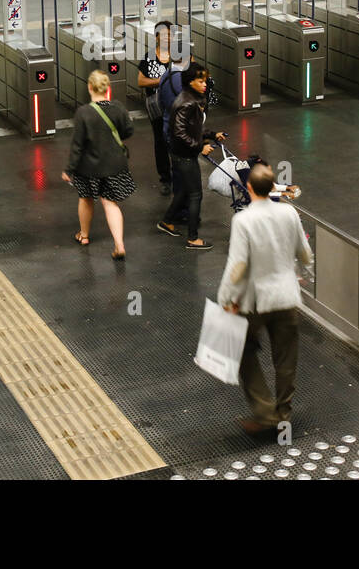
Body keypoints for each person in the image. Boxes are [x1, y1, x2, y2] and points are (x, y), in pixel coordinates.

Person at [217, 162, 313, 435]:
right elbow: (304, 253)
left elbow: (237, 267)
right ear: (273, 187)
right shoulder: (289, 212)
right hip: (286, 297)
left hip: (256, 301)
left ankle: (263, 411)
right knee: (286, 360)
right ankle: (283, 414)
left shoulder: (243, 220)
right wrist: (304, 270)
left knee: (242, 348)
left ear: (249, 188)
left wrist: (226, 299)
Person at [61, 70, 135, 261]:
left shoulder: (84, 113)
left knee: (85, 198)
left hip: (89, 167)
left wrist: (69, 169)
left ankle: (84, 236)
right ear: (107, 88)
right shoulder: (118, 107)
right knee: (110, 202)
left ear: (90, 87)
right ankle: (119, 244)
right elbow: (128, 131)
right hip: (114, 164)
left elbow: (77, 145)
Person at [158, 61, 224, 250]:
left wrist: (211, 135)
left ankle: (167, 221)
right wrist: (199, 148)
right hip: (185, 156)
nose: (205, 84)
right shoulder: (188, 102)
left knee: (184, 191)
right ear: (190, 81)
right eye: (200, 80)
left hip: (180, 154)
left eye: (206, 80)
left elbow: (193, 127)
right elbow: (179, 133)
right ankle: (193, 238)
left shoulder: (190, 98)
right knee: (196, 194)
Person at [137, 21, 176, 196]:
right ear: (157, 37)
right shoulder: (149, 57)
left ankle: (179, 173)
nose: (168, 37)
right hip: (156, 106)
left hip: (176, 104)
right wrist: (163, 79)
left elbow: (191, 76)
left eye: (170, 34)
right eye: (164, 34)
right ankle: (165, 179)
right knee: (160, 141)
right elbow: (141, 81)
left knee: (176, 139)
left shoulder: (180, 56)